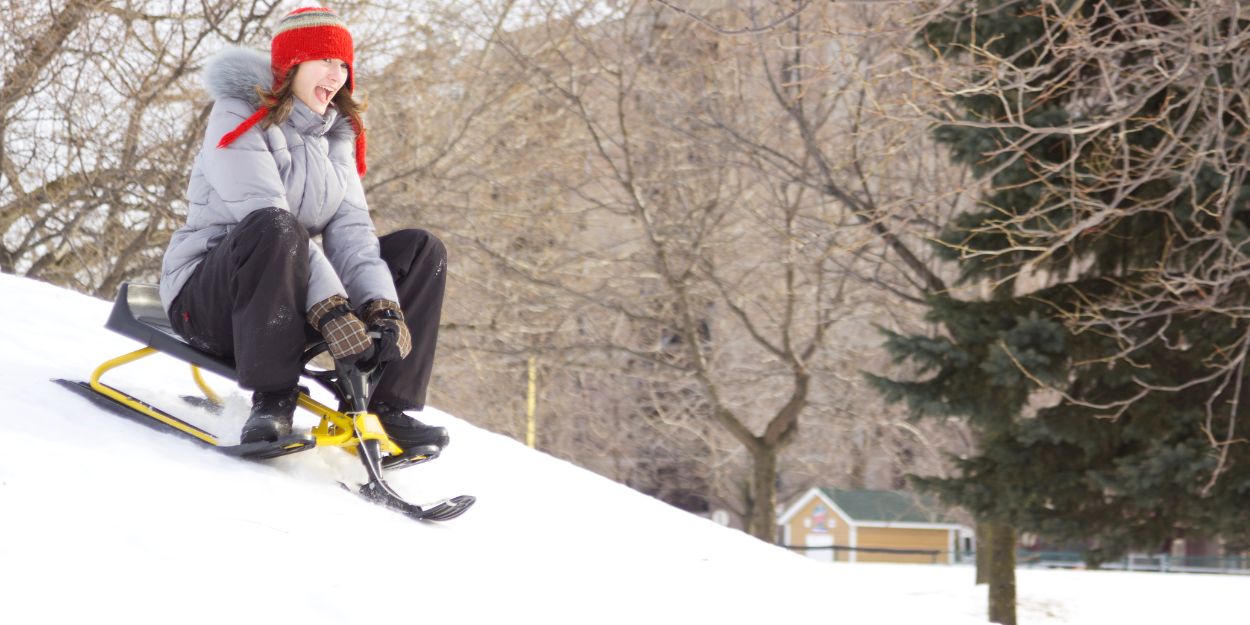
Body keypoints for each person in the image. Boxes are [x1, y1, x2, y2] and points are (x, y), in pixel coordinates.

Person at [158, 7, 449, 450]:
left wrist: (380, 306)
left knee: (421, 250)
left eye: (343, 65)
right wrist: (332, 309)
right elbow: (266, 214)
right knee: (277, 225)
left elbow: (353, 232)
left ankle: (388, 406)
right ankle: (272, 399)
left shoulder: (335, 136)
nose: (336, 75)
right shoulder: (239, 113)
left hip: (279, 304)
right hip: (209, 301)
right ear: (292, 63)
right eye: (325, 61)